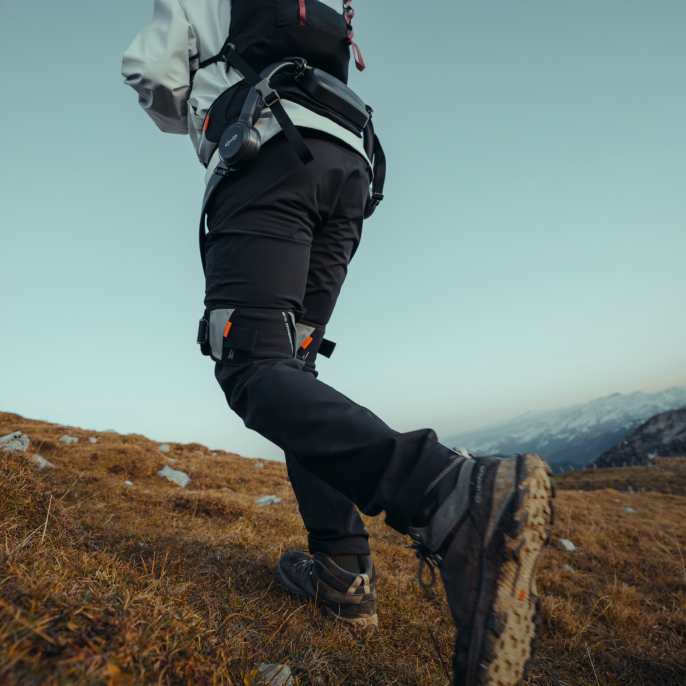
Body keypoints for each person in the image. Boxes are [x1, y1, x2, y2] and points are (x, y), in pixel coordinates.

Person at [122, 2, 554, 684]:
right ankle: (340, 571)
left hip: (269, 150)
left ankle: (448, 492)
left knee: (252, 365)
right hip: (348, 163)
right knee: (291, 367)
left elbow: (149, 68)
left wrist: (201, 120)